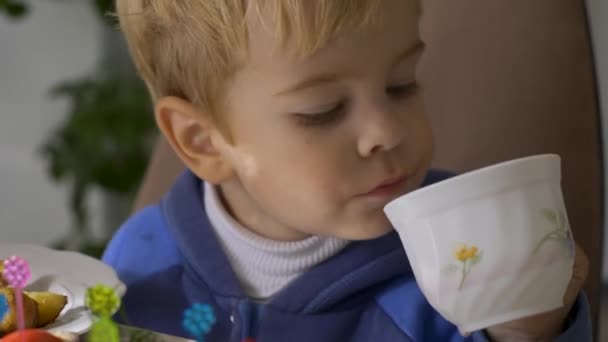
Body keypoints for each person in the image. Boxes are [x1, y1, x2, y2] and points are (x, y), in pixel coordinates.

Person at [102, 1, 591, 340]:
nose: (386, 130)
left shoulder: (460, 258)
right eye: (324, 109)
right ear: (203, 141)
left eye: (401, 84)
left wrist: (525, 331)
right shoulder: (142, 260)